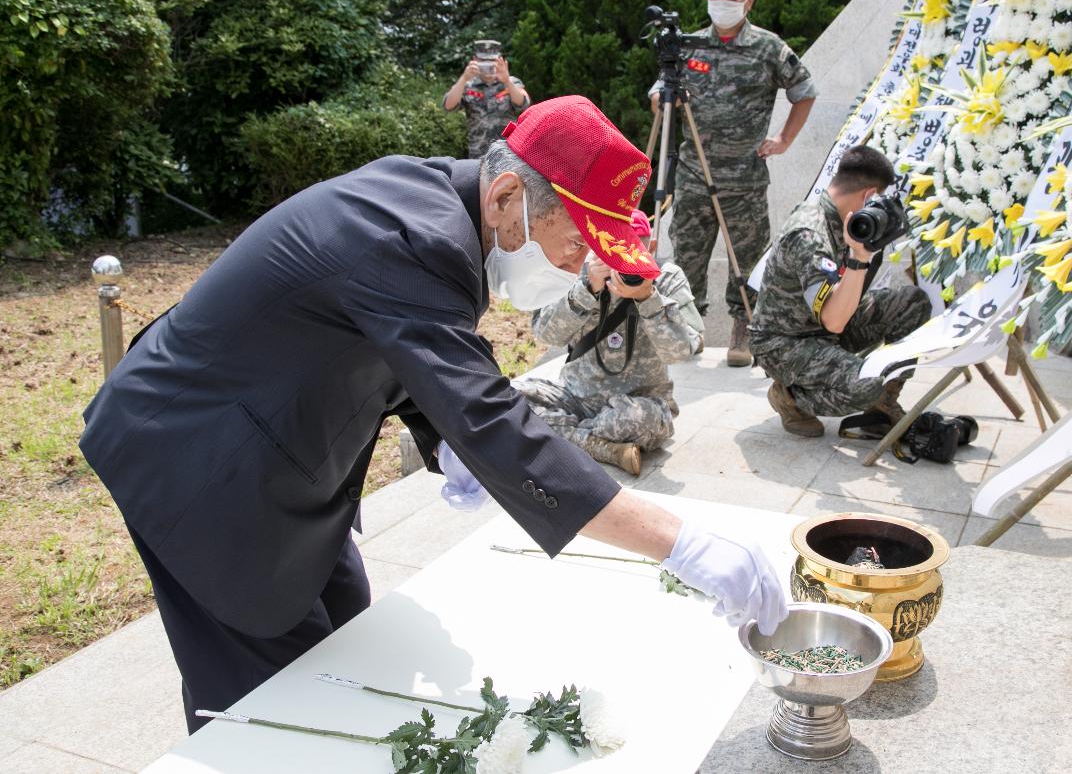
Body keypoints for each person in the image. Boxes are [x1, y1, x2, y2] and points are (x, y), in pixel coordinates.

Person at [79, 96, 786, 732]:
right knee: (274, 715)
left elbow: (386, 343)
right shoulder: (413, 237)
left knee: (351, 637)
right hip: (198, 462)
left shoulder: (445, 209)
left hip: (272, 448)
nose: (576, 269)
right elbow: (496, 424)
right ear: (509, 193)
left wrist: (435, 434)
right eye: (575, 244)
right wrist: (679, 541)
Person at [650, 0, 817, 367]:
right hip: (693, 173)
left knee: (746, 258)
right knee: (687, 255)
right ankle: (688, 328)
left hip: (744, 178)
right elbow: (660, 90)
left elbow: (805, 90)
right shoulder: (688, 45)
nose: (721, 3)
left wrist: (784, 138)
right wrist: (659, 98)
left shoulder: (768, 47)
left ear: (749, 0)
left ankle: (744, 328)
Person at [749, 145, 932, 436]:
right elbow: (833, 319)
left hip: (823, 325)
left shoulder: (845, 219)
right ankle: (790, 398)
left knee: (913, 302)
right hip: (785, 342)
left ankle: (882, 405)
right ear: (869, 194)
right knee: (867, 385)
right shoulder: (810, 234)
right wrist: (860, 257)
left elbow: (838, 309)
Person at [510, 209, 702, 478]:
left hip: (637, 404)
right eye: (617, 249)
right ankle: (602, 447)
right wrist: (586, 289)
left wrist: (648, 298)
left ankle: (567, 438)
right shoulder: (578, 272)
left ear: (652, 247)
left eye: (635, 249)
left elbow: (681, 352)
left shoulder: (667, 278)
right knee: (510, 398)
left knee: (643, 419)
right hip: (576, 396)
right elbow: (545, 335)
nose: (625, 260)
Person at [442, 39, 531, 158]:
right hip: (478, 154)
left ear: (500, 60)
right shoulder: (467, 85)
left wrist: (506, 81)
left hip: (508, 154)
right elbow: (448, 106)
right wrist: (463, 79)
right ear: (475, 60)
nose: (488, 66)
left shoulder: (512, 82)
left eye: (492, 61)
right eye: (483, 61)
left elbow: (524, 104)